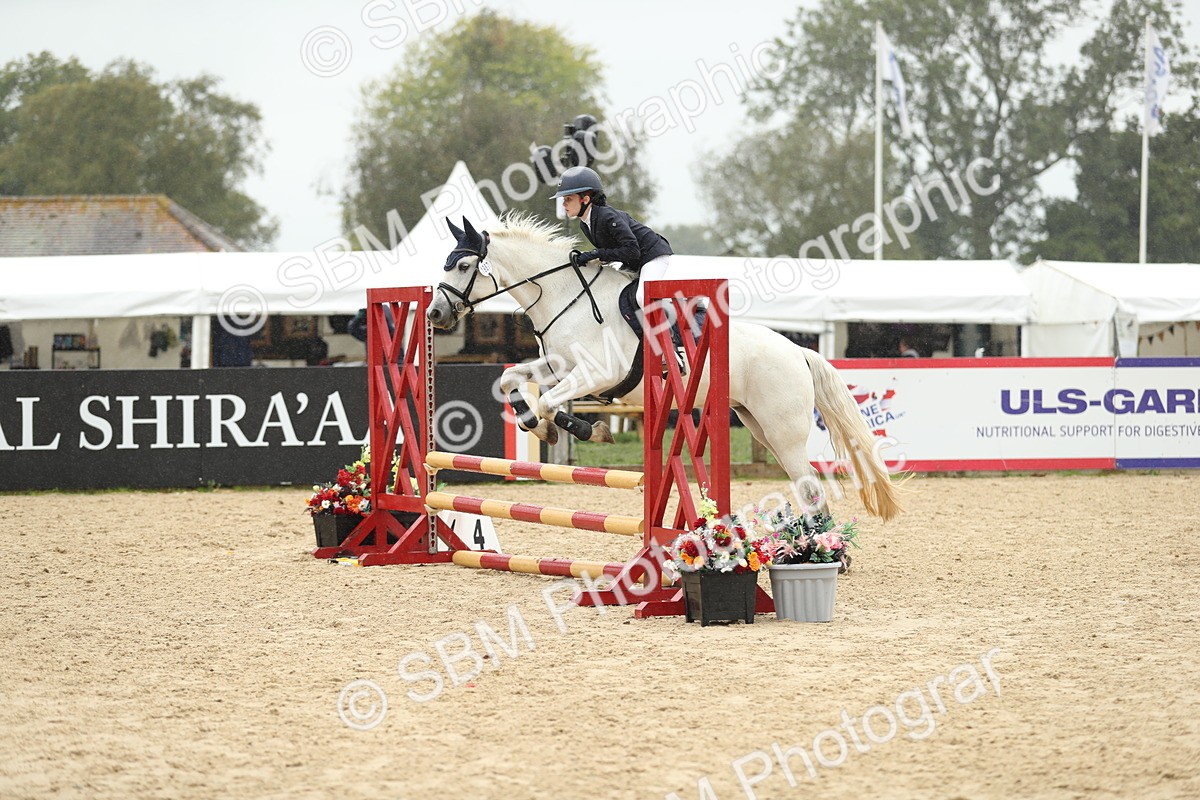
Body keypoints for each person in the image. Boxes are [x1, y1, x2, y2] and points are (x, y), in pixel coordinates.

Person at [551, 166, 672, 308]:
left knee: (642, 297)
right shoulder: (585, 224)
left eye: (568, 199)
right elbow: (612, 252)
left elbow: (632, 251)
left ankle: (671, 327)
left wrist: (595, 254)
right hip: (634, 261)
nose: (564, 204)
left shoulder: (606, 216)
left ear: (585, 199)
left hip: (652, 255)